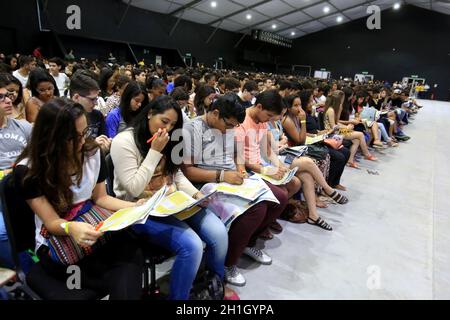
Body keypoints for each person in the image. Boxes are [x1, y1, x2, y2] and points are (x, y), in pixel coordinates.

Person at [14, 98, 144, 300]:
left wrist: (135, 206)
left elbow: (101, 198)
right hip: (58, 242)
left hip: (95, 232)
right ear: (51, 138)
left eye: (84, 133)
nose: (82, 141)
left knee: (130, 255)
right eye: (73, 138)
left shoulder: (92, 153)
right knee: (112, 272)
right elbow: (51, 222)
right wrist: (70, 227)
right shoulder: (29, 170)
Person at [110, 96, 234, 300]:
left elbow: (176, 174)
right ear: (150, 114)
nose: (167, 128)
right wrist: (154, 152)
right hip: (140, 209)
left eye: (173, 124)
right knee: (192, 246)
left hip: (172, 202)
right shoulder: (124, 141)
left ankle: (214, 283)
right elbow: (133, 188)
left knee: (219, 232)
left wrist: (195, 194)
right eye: (164, 121)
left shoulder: (170, 138)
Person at [183, 93, 289, 287]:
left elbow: (237, 153)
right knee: (256, 210)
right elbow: (188, 171)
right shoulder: (193, 128)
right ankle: (228, 263)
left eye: (233, 126)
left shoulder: (230, 125)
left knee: (279, 198)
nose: (230, 130)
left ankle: (248, 244)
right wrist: (222, 176)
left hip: (231, 177)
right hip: (207, 182)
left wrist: (240, 169)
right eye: (229, 125)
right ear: (215, 113)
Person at [0, 80, 33, 269]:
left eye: (8, 95)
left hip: (25, 188)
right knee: (3, 233)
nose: (8, 100)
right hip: (2, 196)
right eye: (1, 97)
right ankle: (23, 272)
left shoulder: (24, 127)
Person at [69, 71, 111, 153]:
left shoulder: (97, 115)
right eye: (92, 99)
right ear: (76, 97)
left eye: (96, 98)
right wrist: (93, 145)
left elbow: (104, 140)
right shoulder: (62, 118)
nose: (95, 103)